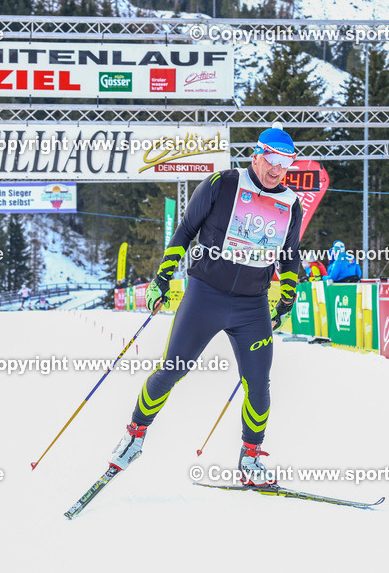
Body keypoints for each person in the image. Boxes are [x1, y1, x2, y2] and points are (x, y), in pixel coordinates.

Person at [107, 127, 303, 487]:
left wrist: (287, 295)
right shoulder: (221, 183)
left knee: (258, 384)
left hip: (252, 305)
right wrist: (162, 278)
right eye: (272, 159)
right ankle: (134, 435)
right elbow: (184, 231)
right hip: (205, 295)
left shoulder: (291, 203)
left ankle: (251, 458)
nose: (278, 169)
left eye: (286, 162)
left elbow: (290, 258)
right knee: (173, 369)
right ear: (256, 155)